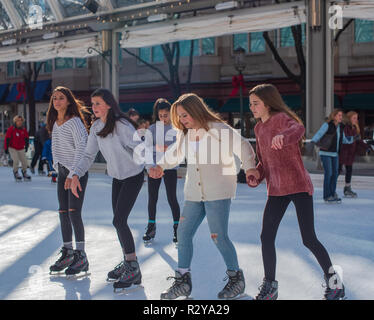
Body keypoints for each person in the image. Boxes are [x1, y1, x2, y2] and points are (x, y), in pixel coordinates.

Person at [149, 93, 257, 300]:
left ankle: (236, 279)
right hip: (194, 193)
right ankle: (183, 281)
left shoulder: (218, 129)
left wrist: (250, 168)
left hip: (218, 191)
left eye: (184, 115)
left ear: (196, 110)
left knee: (218, 236)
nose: (182, 120)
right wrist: (161, 165)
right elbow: (175, 153)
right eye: (179, 116)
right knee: (183, 233)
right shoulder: (186, 134)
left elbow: (243, 146)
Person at [247, 84, 345, 300]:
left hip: (298, 186)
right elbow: (263, 162)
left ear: (267, 103)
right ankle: (270, 286)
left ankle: (335, 285)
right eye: (250, 103)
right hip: (276, 190)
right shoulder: (258, 129)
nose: (252, 107)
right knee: (266, 236)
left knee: (308, 238)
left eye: (256, 103)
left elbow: (298, 129)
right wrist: (256, 175)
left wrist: (284, 136)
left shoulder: (282, 119)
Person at [69, 88, 145, 292]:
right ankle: (128, 262)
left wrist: (152, 165)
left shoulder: (122, 125)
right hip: (118, 178)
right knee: (119, 222)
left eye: (98, 103)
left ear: (109, 104)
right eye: (92, 104)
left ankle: (133, 266)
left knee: (119, 221)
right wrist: (75, 173)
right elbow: (87, 155)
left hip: (133, 176)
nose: (94, 107)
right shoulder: (96, 127)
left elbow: (140, 149)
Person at [46, 86, 89, 277]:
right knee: (63, 212)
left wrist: (73, 174)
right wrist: (59, 170)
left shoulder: (75, 122)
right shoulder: (56, 122)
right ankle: (68, 252)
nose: (57, 101)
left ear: (69, 101)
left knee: (73, 213)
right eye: (54, 98)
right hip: (63, 172)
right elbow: (55, 148)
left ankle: (81, 256)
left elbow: (83, 148)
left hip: (77, 173)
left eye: (61, 98)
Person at [143, 98, 180, 245]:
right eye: (160, 115)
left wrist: (166, 150)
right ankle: (151, 228)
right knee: (152, 198)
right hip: (154, 169)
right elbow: (146, 150)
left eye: (166, 115)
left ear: (171, 114)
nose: (163, 118)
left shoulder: (176, 130)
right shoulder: (152, 129)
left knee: (172, 198)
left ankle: (177, 228)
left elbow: (178, 151)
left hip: (170, 168)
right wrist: (151, 167)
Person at [311, 109, 354, 204]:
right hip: (326, 153)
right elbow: (318, 135)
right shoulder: (327, 125)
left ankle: (332, 193)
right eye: (339, 115)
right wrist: (315, 142)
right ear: (334, 116)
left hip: (335, 154)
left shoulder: (340, 127)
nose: (341, 117)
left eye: (341, 115)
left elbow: (344, 140)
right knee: (329, 174)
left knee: (335, 174)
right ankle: (327, 196)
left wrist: (352, 139)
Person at [339, 111, 370, 197]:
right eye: (354, 118)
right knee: (337, 171)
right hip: (343, 152)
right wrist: (353, 138)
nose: (356, 120)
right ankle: (330, 190)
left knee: (349, 171)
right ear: (349, 118)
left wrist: (367, 147)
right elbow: (345, 139)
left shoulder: (355, 128)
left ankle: (347, 188)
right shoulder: (345, 127)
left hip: (350, 154)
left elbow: (358, 141)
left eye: (357, 118)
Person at [4, 115, 31, 181]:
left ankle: (24, 172)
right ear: (15, 121)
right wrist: (6, 148)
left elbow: (26, 138)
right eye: (18, 121)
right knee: (16, 161)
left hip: (21, 148)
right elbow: (7, 139)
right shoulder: (11, 129)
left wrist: (27, 146)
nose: (19, 122)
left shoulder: (23, 129)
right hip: (12, 147)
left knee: (24, 161)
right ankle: (16, 172)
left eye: (21, 121)